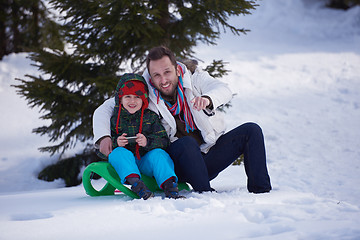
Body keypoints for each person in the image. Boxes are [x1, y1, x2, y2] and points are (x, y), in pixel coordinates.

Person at [93, 46, 272, 194]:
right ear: (150, 75)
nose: (163, 80)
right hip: (178, 163)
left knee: (251, 130)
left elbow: (222, 89)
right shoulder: (145, 91)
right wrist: (103, 136)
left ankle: (261, 191)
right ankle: (205, 193)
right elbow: (106, 108)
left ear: (177, 69)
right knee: (186, 143)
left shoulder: (195, 79)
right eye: (156, 75)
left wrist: (208, 99)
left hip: (208, 155)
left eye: (167, 72)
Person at [103, 73, 184, 199]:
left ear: (144, 99)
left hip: (145, 161)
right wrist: (116, 142)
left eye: (137, 97)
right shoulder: (114, 119)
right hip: (127, 163)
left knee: (159, 154)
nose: (132, 101)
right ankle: (138, 186)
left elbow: (164, 141)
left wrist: (147, 142)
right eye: (127, 97)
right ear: (120, 99)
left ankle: (170, 187)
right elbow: (101, 150)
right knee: (118, 153)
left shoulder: (150, 117)